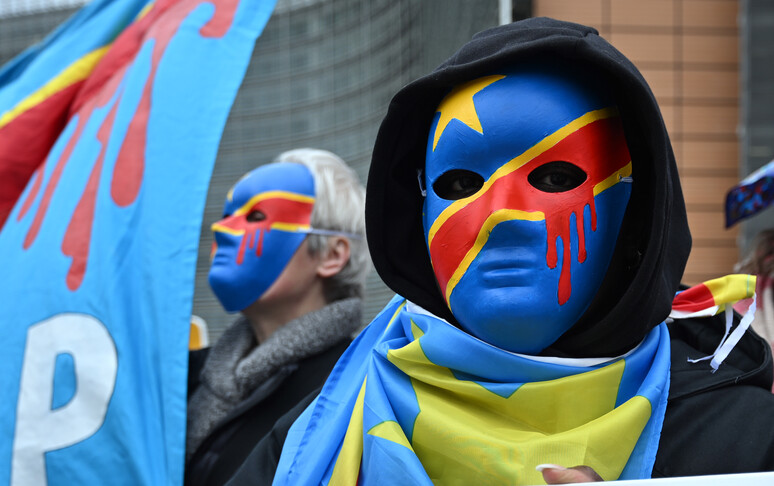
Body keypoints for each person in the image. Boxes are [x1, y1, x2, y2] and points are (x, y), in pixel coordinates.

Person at [229, 18, 774, 485]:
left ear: (634, 208)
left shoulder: (741, 440)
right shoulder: (318, 431)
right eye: (461, 184)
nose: (501, 216)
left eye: (555, 177)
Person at [185, 148, 369, 486]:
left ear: (332, 254)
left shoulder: (355, 389)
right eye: (227, 214)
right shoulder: (187, 377)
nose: (221, 228)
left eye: (256, 216)